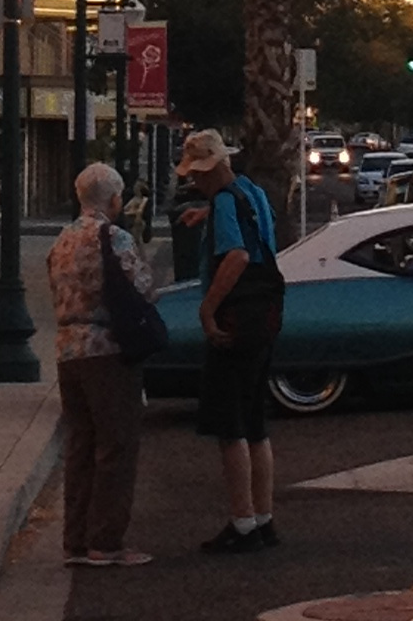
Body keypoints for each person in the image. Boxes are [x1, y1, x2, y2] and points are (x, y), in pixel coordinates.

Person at [176, 128, 284, 553]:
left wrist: (208, 308)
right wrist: (207, 214)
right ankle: (264, 517)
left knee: (229, 423)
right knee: (255, 422)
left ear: (210, 169)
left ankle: (241, 521)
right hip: (266, 313)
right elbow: (258, 234)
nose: (195, 181)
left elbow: (237, 255)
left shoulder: (223, 201)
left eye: (196, 173)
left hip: (237, 316)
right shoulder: (249, 192)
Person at [46, 161, 157, 566]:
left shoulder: (62, 240)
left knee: (81, 444)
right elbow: (142, 286)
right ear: (113, 199)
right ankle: (106, 541)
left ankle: (75, 539)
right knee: (116, 445)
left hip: (68, 350)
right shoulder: (114, 237)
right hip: (107, 349)